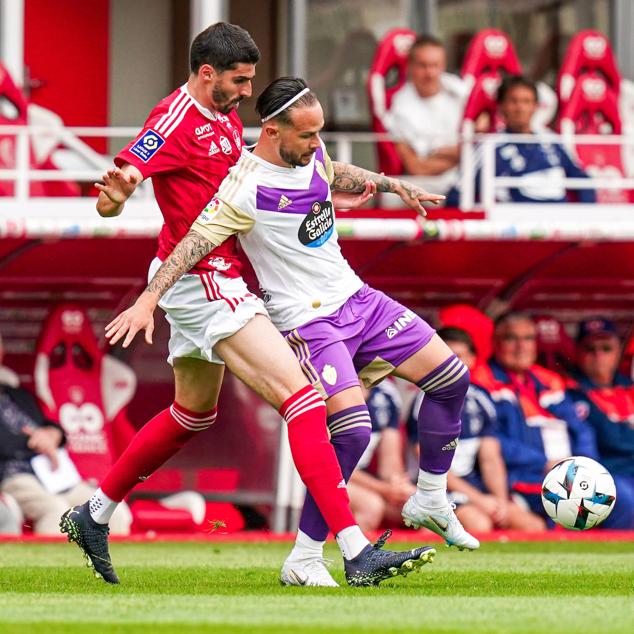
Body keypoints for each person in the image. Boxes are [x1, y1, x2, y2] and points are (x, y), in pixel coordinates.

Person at [61, 25, 434, 588]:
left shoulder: (227, 111)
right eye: (240, 80)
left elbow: (303, 170)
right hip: (204, 279)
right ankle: (352, 550)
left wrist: (382, 182)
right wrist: (115, 199)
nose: (247, 90)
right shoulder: (172, 119)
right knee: (304, 400)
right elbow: (127, 178)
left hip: (210, 275)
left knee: (194, 413)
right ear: (207, 73)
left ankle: (94, 514)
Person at [409, 327, 546, 532]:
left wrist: (500, 503)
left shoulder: (481, 398)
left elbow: (490, 457)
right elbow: (430, 466)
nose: (451, 365)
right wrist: (479, 500)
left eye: (458, 357)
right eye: (444, 357)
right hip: (437, 490)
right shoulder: (425, 402)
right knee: (479, 524)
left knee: (533, 526)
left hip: (475, 488)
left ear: (472, 360)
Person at [471, 312, 598, 522]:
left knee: (617, 495)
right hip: (522, 477)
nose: (522, 346)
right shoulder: (481, 381)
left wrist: (586, 464)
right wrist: (544, 463)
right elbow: (491, 440)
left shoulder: (549, 379)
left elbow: (581, 429)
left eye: (528, 338)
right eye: (512, 338)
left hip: (568, 473)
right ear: (495, 343)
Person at [0, 375, 130, 535]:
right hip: (16, 476)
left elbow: (51, 426)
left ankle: (106, 560)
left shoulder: (17, 394)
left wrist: (53, 434)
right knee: (57, 511)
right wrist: (35, 441)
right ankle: (53, 561)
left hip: (55, 474)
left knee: (111, 509)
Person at [448, 75, 596, 205]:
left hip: (558, 225)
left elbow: (583, 181)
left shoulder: (552, 141)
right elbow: (459, 193)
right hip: (513, 229)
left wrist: (587, 220)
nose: (520, 108)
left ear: (536, 106)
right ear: (501, 106)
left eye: (526, 101)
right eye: (514, 101)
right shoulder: (489, 145)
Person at [566, 317, 634, 528]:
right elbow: (611, 440)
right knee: (625, 499)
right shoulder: (570, 392)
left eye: (606, 348)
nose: (598, 355)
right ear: (577, 352)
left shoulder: (629, 387)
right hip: (606, 475)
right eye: (590, 348)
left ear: (618, 351)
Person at [385, 34, 467, 176]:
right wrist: (464, 156)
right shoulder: (399, 107)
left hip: (467, 182)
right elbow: (417, 168)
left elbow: (483, 142)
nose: (430, 73)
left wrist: (435, 153)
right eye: (423, 66)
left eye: (435, 65)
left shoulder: (460, 90)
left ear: (443, 65)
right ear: (410, 67)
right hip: (426, 185)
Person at [347, 381, 415, 532]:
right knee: (371, 506)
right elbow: (331, 464)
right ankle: (353, 554)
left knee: (421, 504)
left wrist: (396, 485)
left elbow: (390, 461)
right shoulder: (330, 387)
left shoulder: (386, 393)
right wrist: (383, 489)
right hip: (324, 477)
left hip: (360, 478)